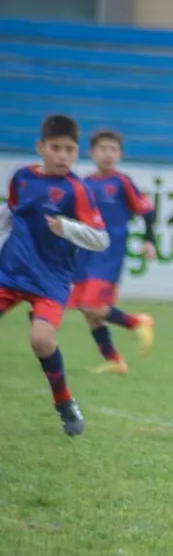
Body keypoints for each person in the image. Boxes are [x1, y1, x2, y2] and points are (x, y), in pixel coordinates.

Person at [0, 115, 109, 436]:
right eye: (56, 148)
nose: (63, 155)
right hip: (10, 272)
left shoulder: (77, 190)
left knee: (41, 340)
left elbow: (101, 238)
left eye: (70, 150)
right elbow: (10, 214)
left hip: (51, 280)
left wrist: (68, 228)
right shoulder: (21, 178)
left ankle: (63, 402)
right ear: (41, 147)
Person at [69, 130, 156, 373]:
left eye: (113, 150)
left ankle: (137, 322)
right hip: (85, 254)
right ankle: (114, 360)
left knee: (92, 305)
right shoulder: (84, 183)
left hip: (109, 253)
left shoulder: (121, 182)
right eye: (103, 149)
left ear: (120, 154)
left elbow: (147, 210)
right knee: (86, 310)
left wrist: (150, 240)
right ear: (92, 152)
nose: (108, 154)